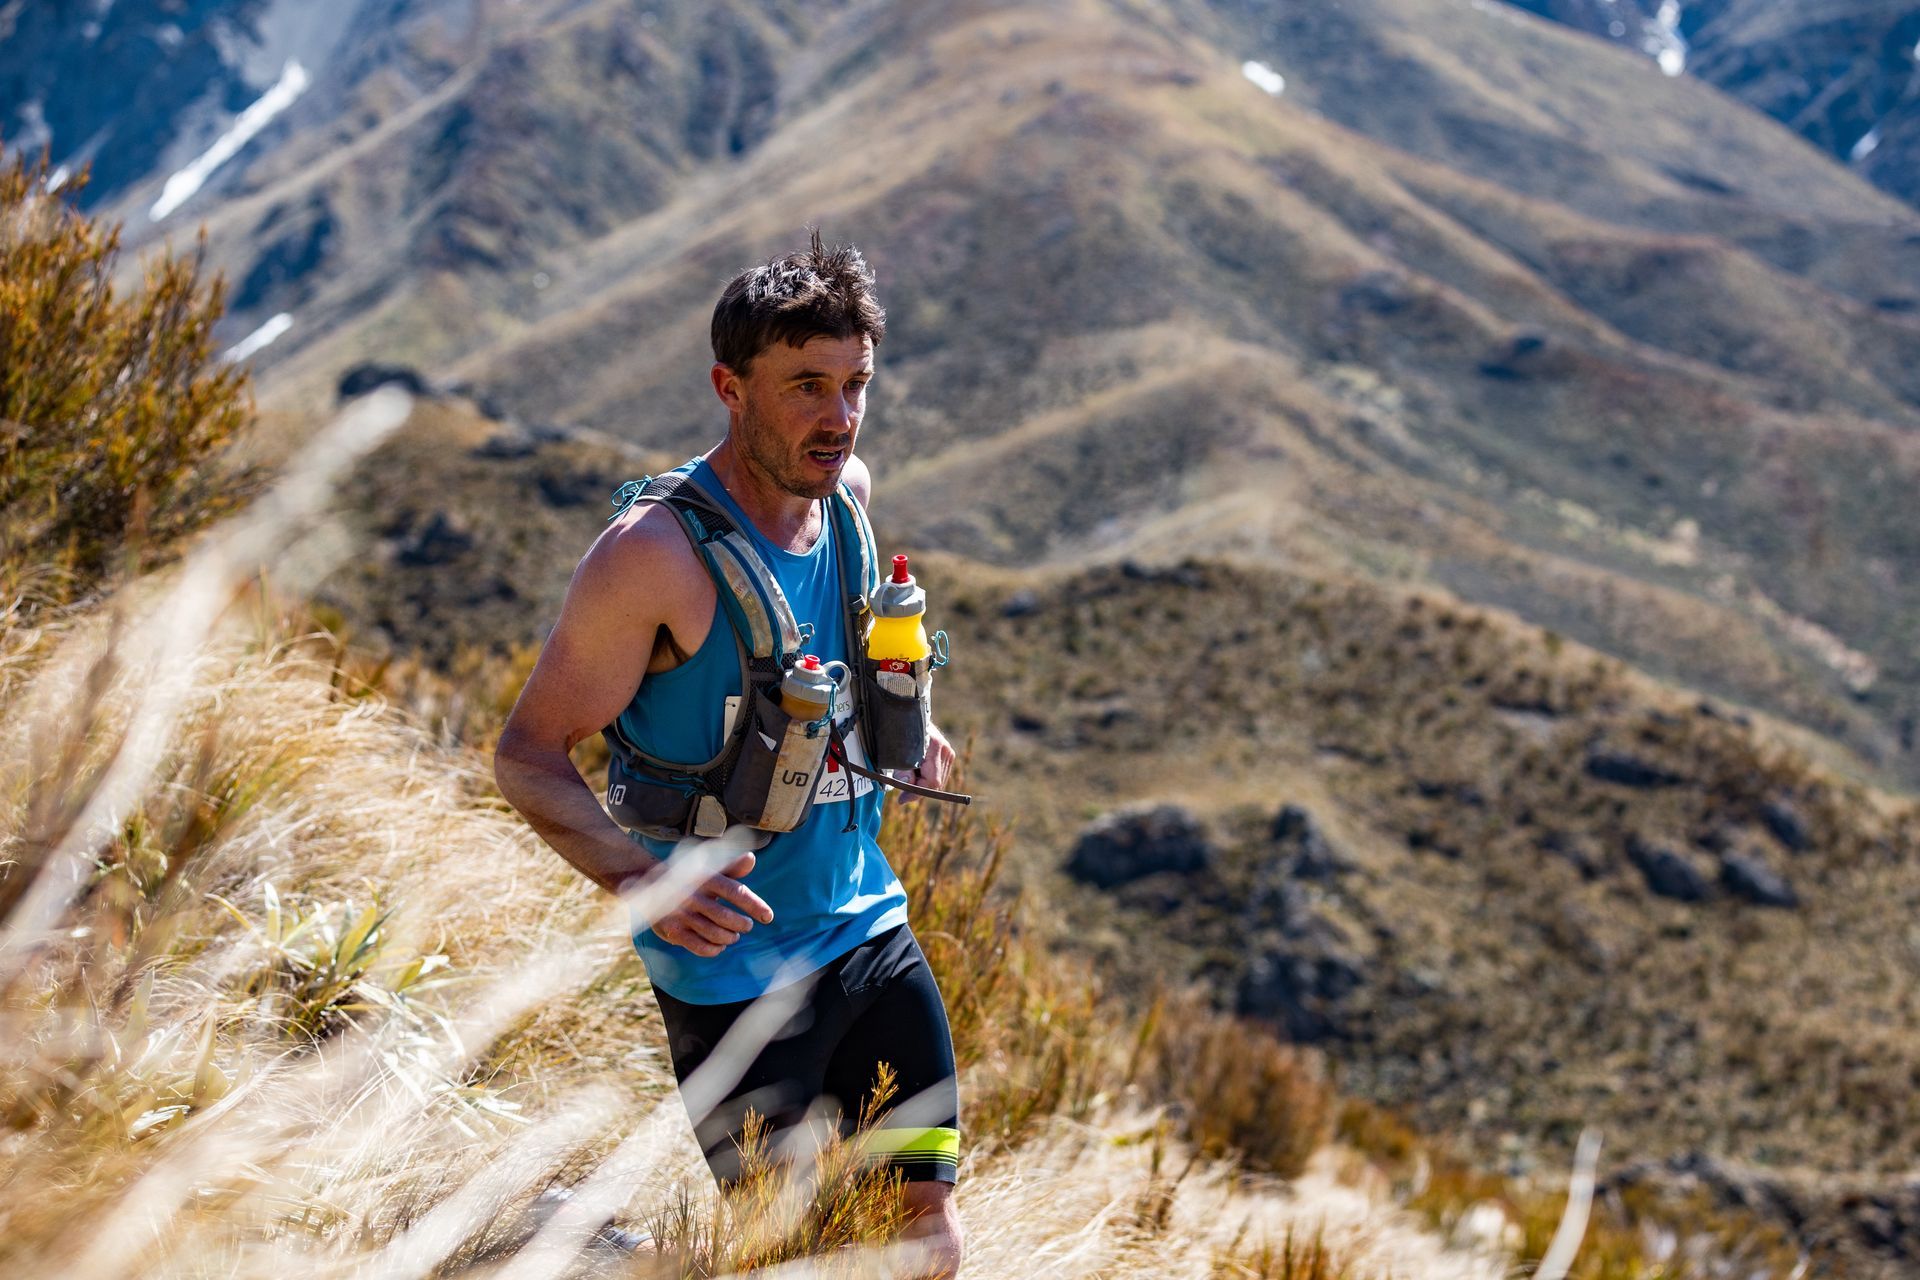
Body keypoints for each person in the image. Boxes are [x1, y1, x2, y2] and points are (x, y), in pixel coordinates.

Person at [493, 231, 964, 1278]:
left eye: (855, 385)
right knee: (782, 1255)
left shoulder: (844, 501)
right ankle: (591, 1247)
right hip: (735, 973)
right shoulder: (651, 558)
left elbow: (837, 657)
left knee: (925, 1236)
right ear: (729, 386)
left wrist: (910, 726)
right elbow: (524, 754)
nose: (837, 416)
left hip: (866, 925)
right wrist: (640, 876)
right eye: (805, 385)